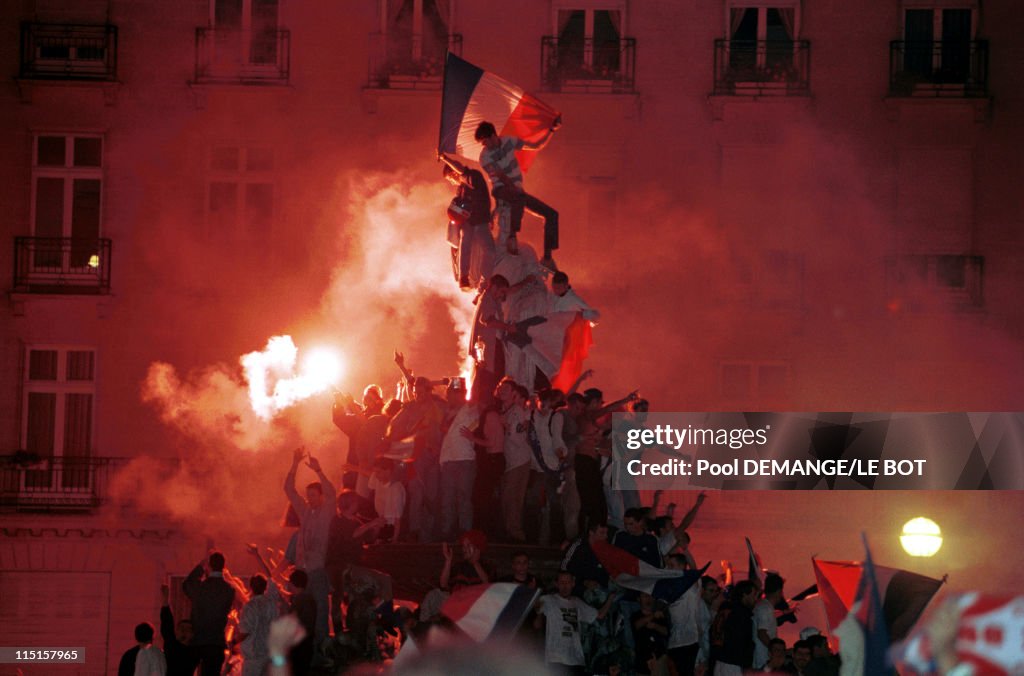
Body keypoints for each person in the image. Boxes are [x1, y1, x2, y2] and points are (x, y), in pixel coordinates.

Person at [475, 120, 560, 269]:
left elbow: (535, 145)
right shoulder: (485, 157)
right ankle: (512, 236)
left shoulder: (508, 140)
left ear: (493, 135)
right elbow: (501, 176)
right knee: (519, 197)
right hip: (501, 190)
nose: (485, 145)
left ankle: (547, 258)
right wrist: (516, 189)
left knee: (551, 214)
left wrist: (551, 130)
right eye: (482, 143)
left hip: (517, 192)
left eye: (485, 141)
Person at [283, 446, 337, 648]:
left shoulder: (327, 512)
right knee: (299, 612)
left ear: (321, 496)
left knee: (321, 612)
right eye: (309, 496)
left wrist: (319, 471)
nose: (310, 499)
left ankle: (320, 652)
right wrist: (295, 463)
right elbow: (288, 489)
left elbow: (332, 494)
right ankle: (301, 650)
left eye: (313, 495)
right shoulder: (304, 512)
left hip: (317, 571)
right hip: (301, 572)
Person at [535, 570, 613, 674]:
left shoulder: (577, 602)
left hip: (576, 658)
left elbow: (599, 615)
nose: (565, 586)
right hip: (556, 659)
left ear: (573, 584)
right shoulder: (548, 599)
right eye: (562, 583)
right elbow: (536, 608)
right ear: (557, 584)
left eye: (567, 582)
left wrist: (611, 598)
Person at [442, 154, 495, 290]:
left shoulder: (472, 177)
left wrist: (445, 159)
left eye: (450, 178)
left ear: (454, 172)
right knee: (465, 243)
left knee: (490, 250)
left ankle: (483, 281)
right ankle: (464, 277)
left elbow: (484, 198)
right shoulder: (461, 189)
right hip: (470, 222)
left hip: (481, 221)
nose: (451, 182)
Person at [182, 551, 236, 676]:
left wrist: (200, 567)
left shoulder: (200, 588)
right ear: (223, 566)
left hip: (197, 640)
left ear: (209, 566)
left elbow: (186, 585)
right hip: (216, 642)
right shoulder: (229, 590)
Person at [439, 379, 478, 539]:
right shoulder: (446, 412)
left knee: (463, 497)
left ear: (461, 394)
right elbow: (425, 391)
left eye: (452, 393)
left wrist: (479, 367)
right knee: (447, 498)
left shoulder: (471, 409)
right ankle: (447, 532)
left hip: (465, 459)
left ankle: (465, 532)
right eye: (448, 392)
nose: (448, 396)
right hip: (448, 460)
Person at [468, 274, 510, 404]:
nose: (502, 295)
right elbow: (488, 320)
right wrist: (510, 328)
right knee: (489, 385)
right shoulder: (488, 300)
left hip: (487, 350)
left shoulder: (486, 299)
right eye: (502, 291)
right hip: (489, 350)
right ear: (495, 287)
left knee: (486, 384)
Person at [236, 574, 281, 676]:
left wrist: (234, 641)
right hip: (269, 655)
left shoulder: (250, 607)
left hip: (253, 658)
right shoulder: (272, 604)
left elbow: (245, 631)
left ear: (250, 587)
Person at [712, 579, 758, 675]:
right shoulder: (741, 614)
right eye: (754, 595)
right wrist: (747, 662)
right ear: (745, 594)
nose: (755, 599)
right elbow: (741, 641)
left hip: (719, 661)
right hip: (733, 663)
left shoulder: (725, 610)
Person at [158, 584, 199, 676]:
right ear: (176, 631)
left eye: (188, 629)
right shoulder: (172, 645)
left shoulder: (194, 651)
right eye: (181, 628)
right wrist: (165, 603)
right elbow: (167, 626)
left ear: (193, 634)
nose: (184, 630)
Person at [754, 573, 785, 669]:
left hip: (762, 660)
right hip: (763, 660)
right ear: (779, 592)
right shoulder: (765, 608)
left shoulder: (763, 606)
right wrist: (776, 652)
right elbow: (762, 633)